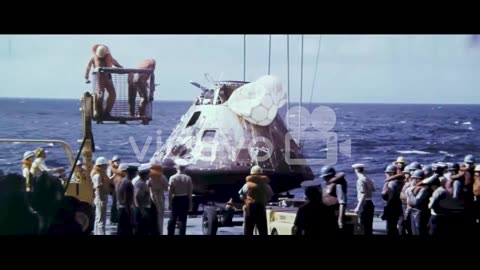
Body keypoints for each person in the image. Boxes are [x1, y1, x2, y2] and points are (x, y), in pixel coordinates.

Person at [84, 44, 123, 118]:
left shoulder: (109, 57)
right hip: (99, 78)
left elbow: (115, 62)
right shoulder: (94, 58)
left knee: (112, 95)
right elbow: (88, 66)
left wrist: (121, 68)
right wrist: (86, 77)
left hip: (108, 77)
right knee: (100, 95)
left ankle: (107, 112)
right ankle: (98, 112)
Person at [238, 165, 274, 236]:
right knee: (262, 229)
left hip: (250, 208)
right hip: (261, 208)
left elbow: (241, 195)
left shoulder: (247, 185)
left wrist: (246, 201)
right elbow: (270, 195)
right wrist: (265, 200)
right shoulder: (265, 185)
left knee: (248, 229)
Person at [167, 159, 193, 235]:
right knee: (183, 220)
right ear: (184, 168)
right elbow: (190, 193)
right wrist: (190, 205)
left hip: (176, 199)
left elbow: (170, 193)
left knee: (173, 219)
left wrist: (169, 203)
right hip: (184, 199)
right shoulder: (188, 178)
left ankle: (170, 233)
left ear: (177, 168)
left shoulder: (172, 178)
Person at [320, 165, 347, 232]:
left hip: (333, 215)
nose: (324, 179)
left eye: (325, 177)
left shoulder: (338, 185)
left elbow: (342, 202)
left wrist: (340, 220)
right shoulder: (329, 185)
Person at [352, 163, 376, 235]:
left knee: (363, 226)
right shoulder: (368, 179)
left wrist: (358, 207)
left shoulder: (360, 180)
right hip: (370, 203)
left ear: (356, 170)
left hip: (364, 204)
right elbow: (374, 189)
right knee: (369, 226)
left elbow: (363, 194)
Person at [381, 164, 404, 236]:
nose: (386, 174)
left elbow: (385, 196)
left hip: (392, 208)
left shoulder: (391, 183)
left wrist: (386, 183)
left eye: (387, 173)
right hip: (400, 207)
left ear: (391, 173)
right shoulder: (402, 182)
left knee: (390, 228)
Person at [116, 163, 137, 235]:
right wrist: (132, 216)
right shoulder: (128, 183)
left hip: (120, 209)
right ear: (133, 173)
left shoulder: (120, 181)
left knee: (120, 230)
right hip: (126, 211)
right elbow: (127, 201)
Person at [91, 157, 110, 235]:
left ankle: (96, 232)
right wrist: (101, 199)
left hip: (99, 198)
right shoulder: (98, 176)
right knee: (101, 219)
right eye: (105, 165)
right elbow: (98, 188)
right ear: (101, 165)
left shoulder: (98, 174)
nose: (106, 166)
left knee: (98, 218)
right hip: (100, 198)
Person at [148, 161, 168, 235]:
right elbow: (166, 188)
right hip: (160, 198)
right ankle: (160, 232)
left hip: (151, 198)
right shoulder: (162, 177)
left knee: (151, 216)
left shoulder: (149, 177)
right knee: (160, 216)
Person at [133, 164, 152, 235]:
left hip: (143, 208)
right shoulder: (140, 184)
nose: (149, 175)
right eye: (148, 174)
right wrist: (142, 210)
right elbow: (137, 196)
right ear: (145, 174)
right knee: (141, 229)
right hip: (142, 209)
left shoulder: (143, 183)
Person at [107, 156, 121, 224]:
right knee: (114, 203)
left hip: (118, 187)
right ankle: (113, 218)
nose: (118, 162)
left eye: (118, 161)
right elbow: (109, 178)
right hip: (113, 188)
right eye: (116, 161)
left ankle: (117, 218)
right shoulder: (111, 169)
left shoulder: (119, 168)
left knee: (118, 203)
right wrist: (115, 174)